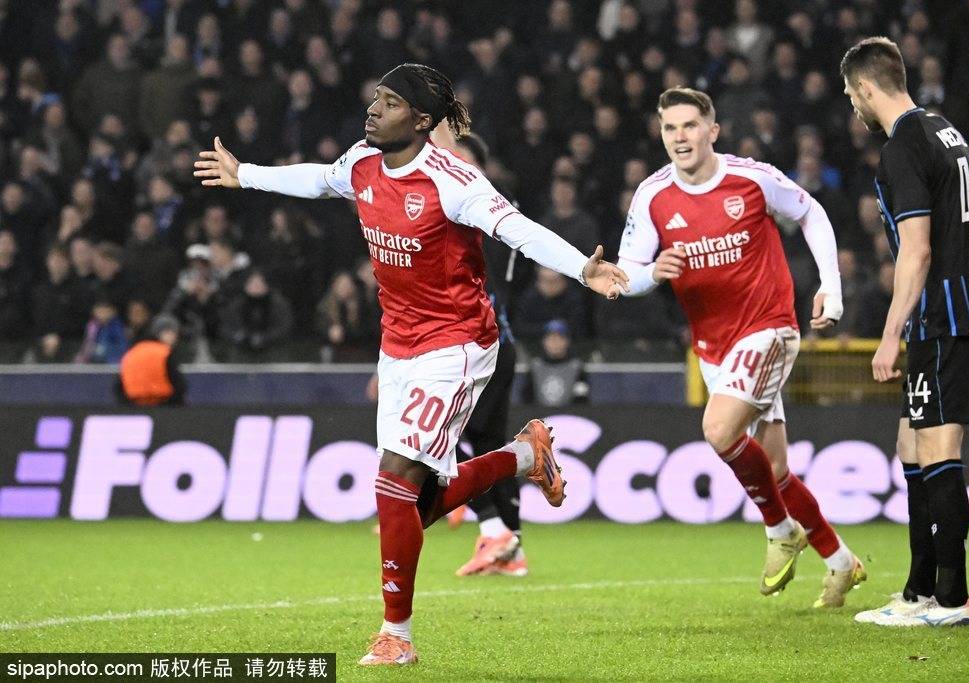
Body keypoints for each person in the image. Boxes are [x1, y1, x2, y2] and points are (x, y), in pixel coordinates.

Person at [194, 63, 627, 666]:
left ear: (422, 121)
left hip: (457, 344)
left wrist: (582, 267)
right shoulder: (362, 164)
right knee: (411, 506)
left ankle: (396, 636)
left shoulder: (455, 181)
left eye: (390, 102)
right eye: (376, 97)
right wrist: (246, 175)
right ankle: (524, 456)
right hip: (397, 345)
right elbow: (319, 179)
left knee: (394, 480)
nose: (374, 109)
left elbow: (519, 231)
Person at [615, 86, 864, 608]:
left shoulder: (752, 178)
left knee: (718, 429)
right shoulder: (652, 196)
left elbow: (812, 213)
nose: (680, 137)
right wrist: (652, 273)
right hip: (712, 347)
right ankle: (841, 562)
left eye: (689, 125)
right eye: (669, 128)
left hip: (769, 327)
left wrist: (831, 286)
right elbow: (626, 275)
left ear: (712, 130)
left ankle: (780, 529)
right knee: (776, 471)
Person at [841, 37, 969, 627]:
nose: (852, 105)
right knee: (911, 442)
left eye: (851, 95)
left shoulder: (903, 146)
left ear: (866, 88)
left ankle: (951, 599)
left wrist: (890, 334)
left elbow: (917, 250)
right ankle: (919, 591)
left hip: (942, 314)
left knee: (937, 447)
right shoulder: (944, 129)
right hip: (964, 305)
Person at [430, 128, 530, 579]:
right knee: (489, 446)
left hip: (480, 343)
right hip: (492, 342)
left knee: (441, 435)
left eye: (461, 159)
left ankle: (492, 528)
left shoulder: (487, 207)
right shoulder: (485, 208)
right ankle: (511, 546)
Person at [116, 314, 187, 406]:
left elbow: (119, 385)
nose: (173, 337)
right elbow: (178, 384)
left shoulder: (132, 352)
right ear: (158, 333)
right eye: (168, 333)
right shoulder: (164, 353)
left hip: (133, 406)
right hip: (164, 405)